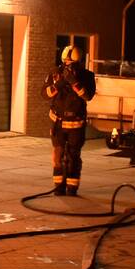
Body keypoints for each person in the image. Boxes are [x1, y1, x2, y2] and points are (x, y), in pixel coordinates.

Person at [42, 45, 96, 196]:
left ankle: (72, 188)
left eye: (71, 63)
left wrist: (74, 82)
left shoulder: (87, 76)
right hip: (58, 123)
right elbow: (44, 94)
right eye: (65, 62)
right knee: (57, 156)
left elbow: (87, 96)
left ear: (78, 62)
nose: (68, 66)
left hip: (76, 125)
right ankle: (58, 187)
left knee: (74, 157)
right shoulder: (55, 73)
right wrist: (58, 84)